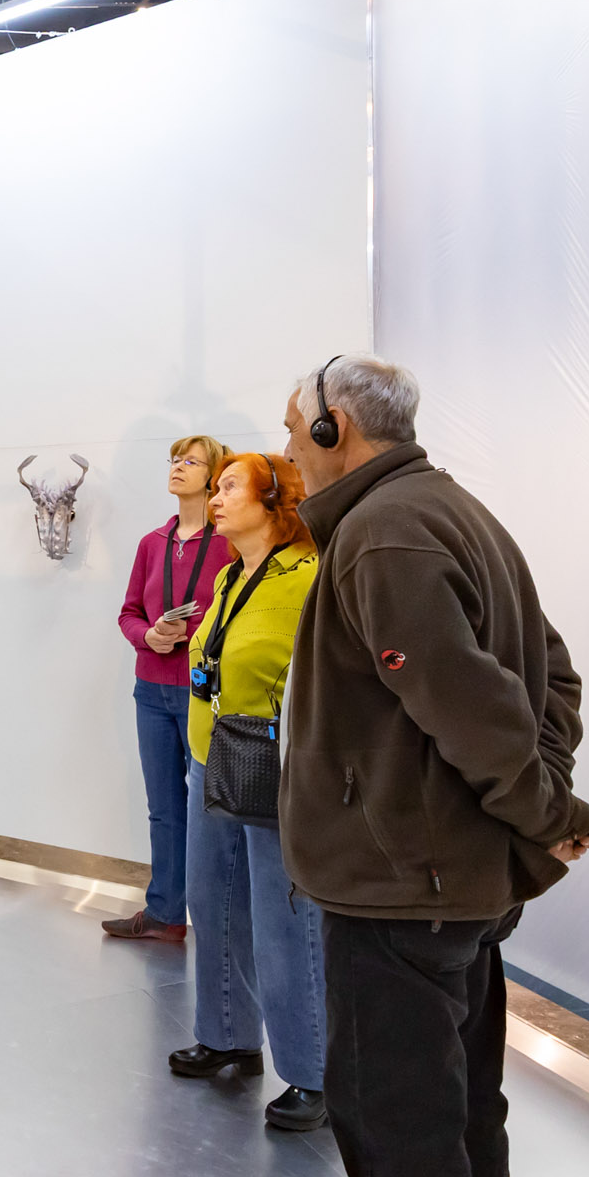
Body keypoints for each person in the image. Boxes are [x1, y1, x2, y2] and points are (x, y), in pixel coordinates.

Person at [266, 354, 589, 1177]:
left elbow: (473, 708)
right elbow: (553, 679)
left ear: (336, 429)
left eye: (294, 431)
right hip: (445, 887)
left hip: (400, 894)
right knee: (460, 1116)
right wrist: (536, 809)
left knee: (400, 1130)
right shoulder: (450, 512)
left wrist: (549, 813)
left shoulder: (384, 535)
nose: (286, 452)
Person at [163, 452, 327, 1132]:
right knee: (211, 901)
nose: (216, 496)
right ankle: (228, 1036)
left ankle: (313, 1075)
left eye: (231, 486)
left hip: (273, 768)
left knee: (283, 923)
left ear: (273, 502)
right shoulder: (229, 575)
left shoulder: (311, 576)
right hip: (211, 759)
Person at [107, 435, 231, 943]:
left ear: (213, 475)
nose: (177, 467)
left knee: (212, 810)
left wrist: (191, 632)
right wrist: (149, 636)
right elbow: (128, 613)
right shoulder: (151, 543)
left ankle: (218, 919)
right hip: (151, 691)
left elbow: (234, 614)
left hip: (205, 693)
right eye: (175, 459)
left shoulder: (229, 542)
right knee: (163, 807)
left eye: (190, 461)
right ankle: (165, 914)